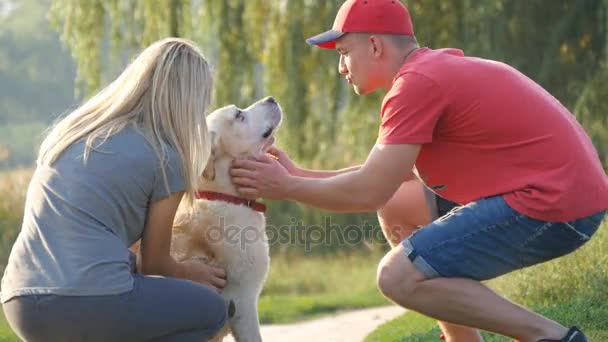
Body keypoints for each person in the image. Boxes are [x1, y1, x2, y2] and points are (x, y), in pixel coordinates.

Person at [229, 1, 608, 341]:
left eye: (344, 53)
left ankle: (550, 337)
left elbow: (367, 192)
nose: (341, 67)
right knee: (399, 204)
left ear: (375, 46)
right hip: (569, 198)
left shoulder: (416, 85)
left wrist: (288, 187)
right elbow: (382, 179)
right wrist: (299, 175)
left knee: (395, 277)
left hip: (556, 206)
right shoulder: (428, 72)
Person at [1, 38, 228, 342]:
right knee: (212, 310)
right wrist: (192, 272)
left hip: (20, 302)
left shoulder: (74, 133)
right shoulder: (165, 158)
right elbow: (156, 263)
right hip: (89, 299)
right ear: (189, 101)